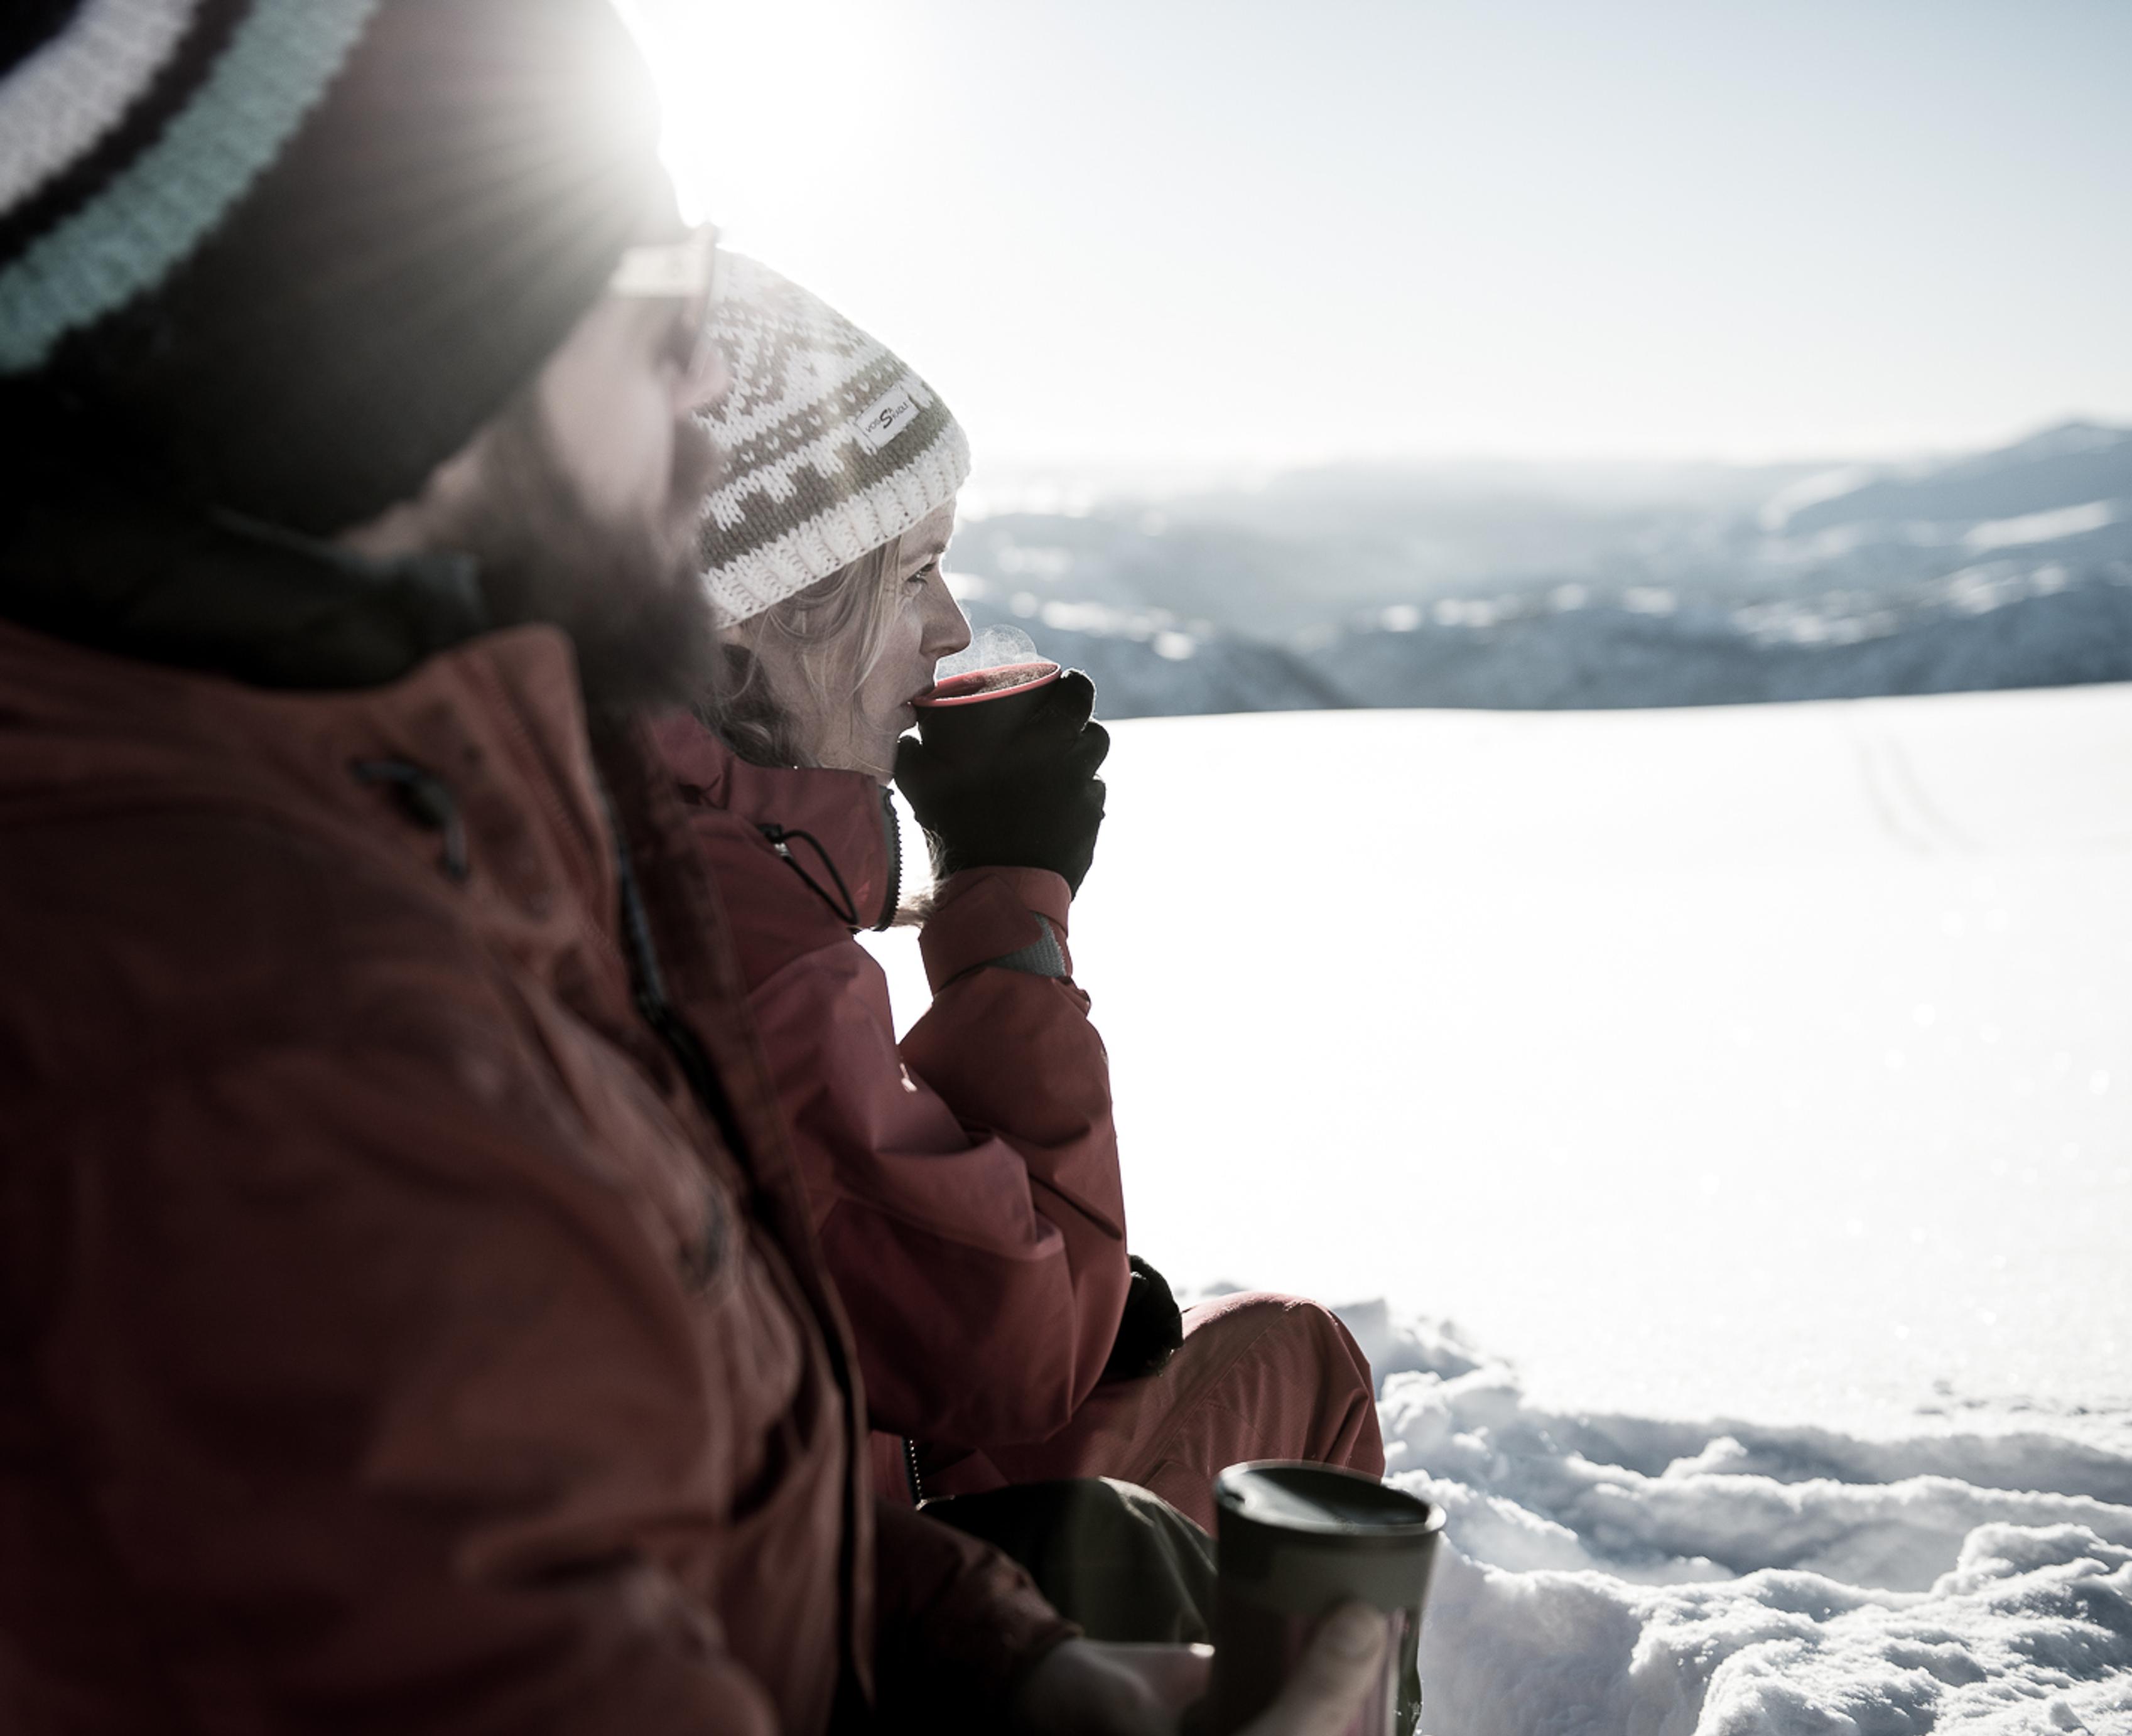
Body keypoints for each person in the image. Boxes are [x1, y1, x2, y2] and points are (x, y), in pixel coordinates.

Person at [0, 4, 1382, 1730]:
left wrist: (1012, 1671)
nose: (708, 371)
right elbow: (999, 1344)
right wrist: (1010, 905)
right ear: (386, 332)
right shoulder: (262, 1040)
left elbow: (700, 1488)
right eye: (650, 274)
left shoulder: (438, 831)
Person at [654, 256, 1388, 1536]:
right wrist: (1008, 902)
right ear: (752, 621)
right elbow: (1009, 1342)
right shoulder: (709, 910)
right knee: (1292, 1386)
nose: (949, 626)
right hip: (804, 1621)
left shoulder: (655, 836)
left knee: (1280, 1346)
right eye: (915, 569)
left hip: (803, 1505)